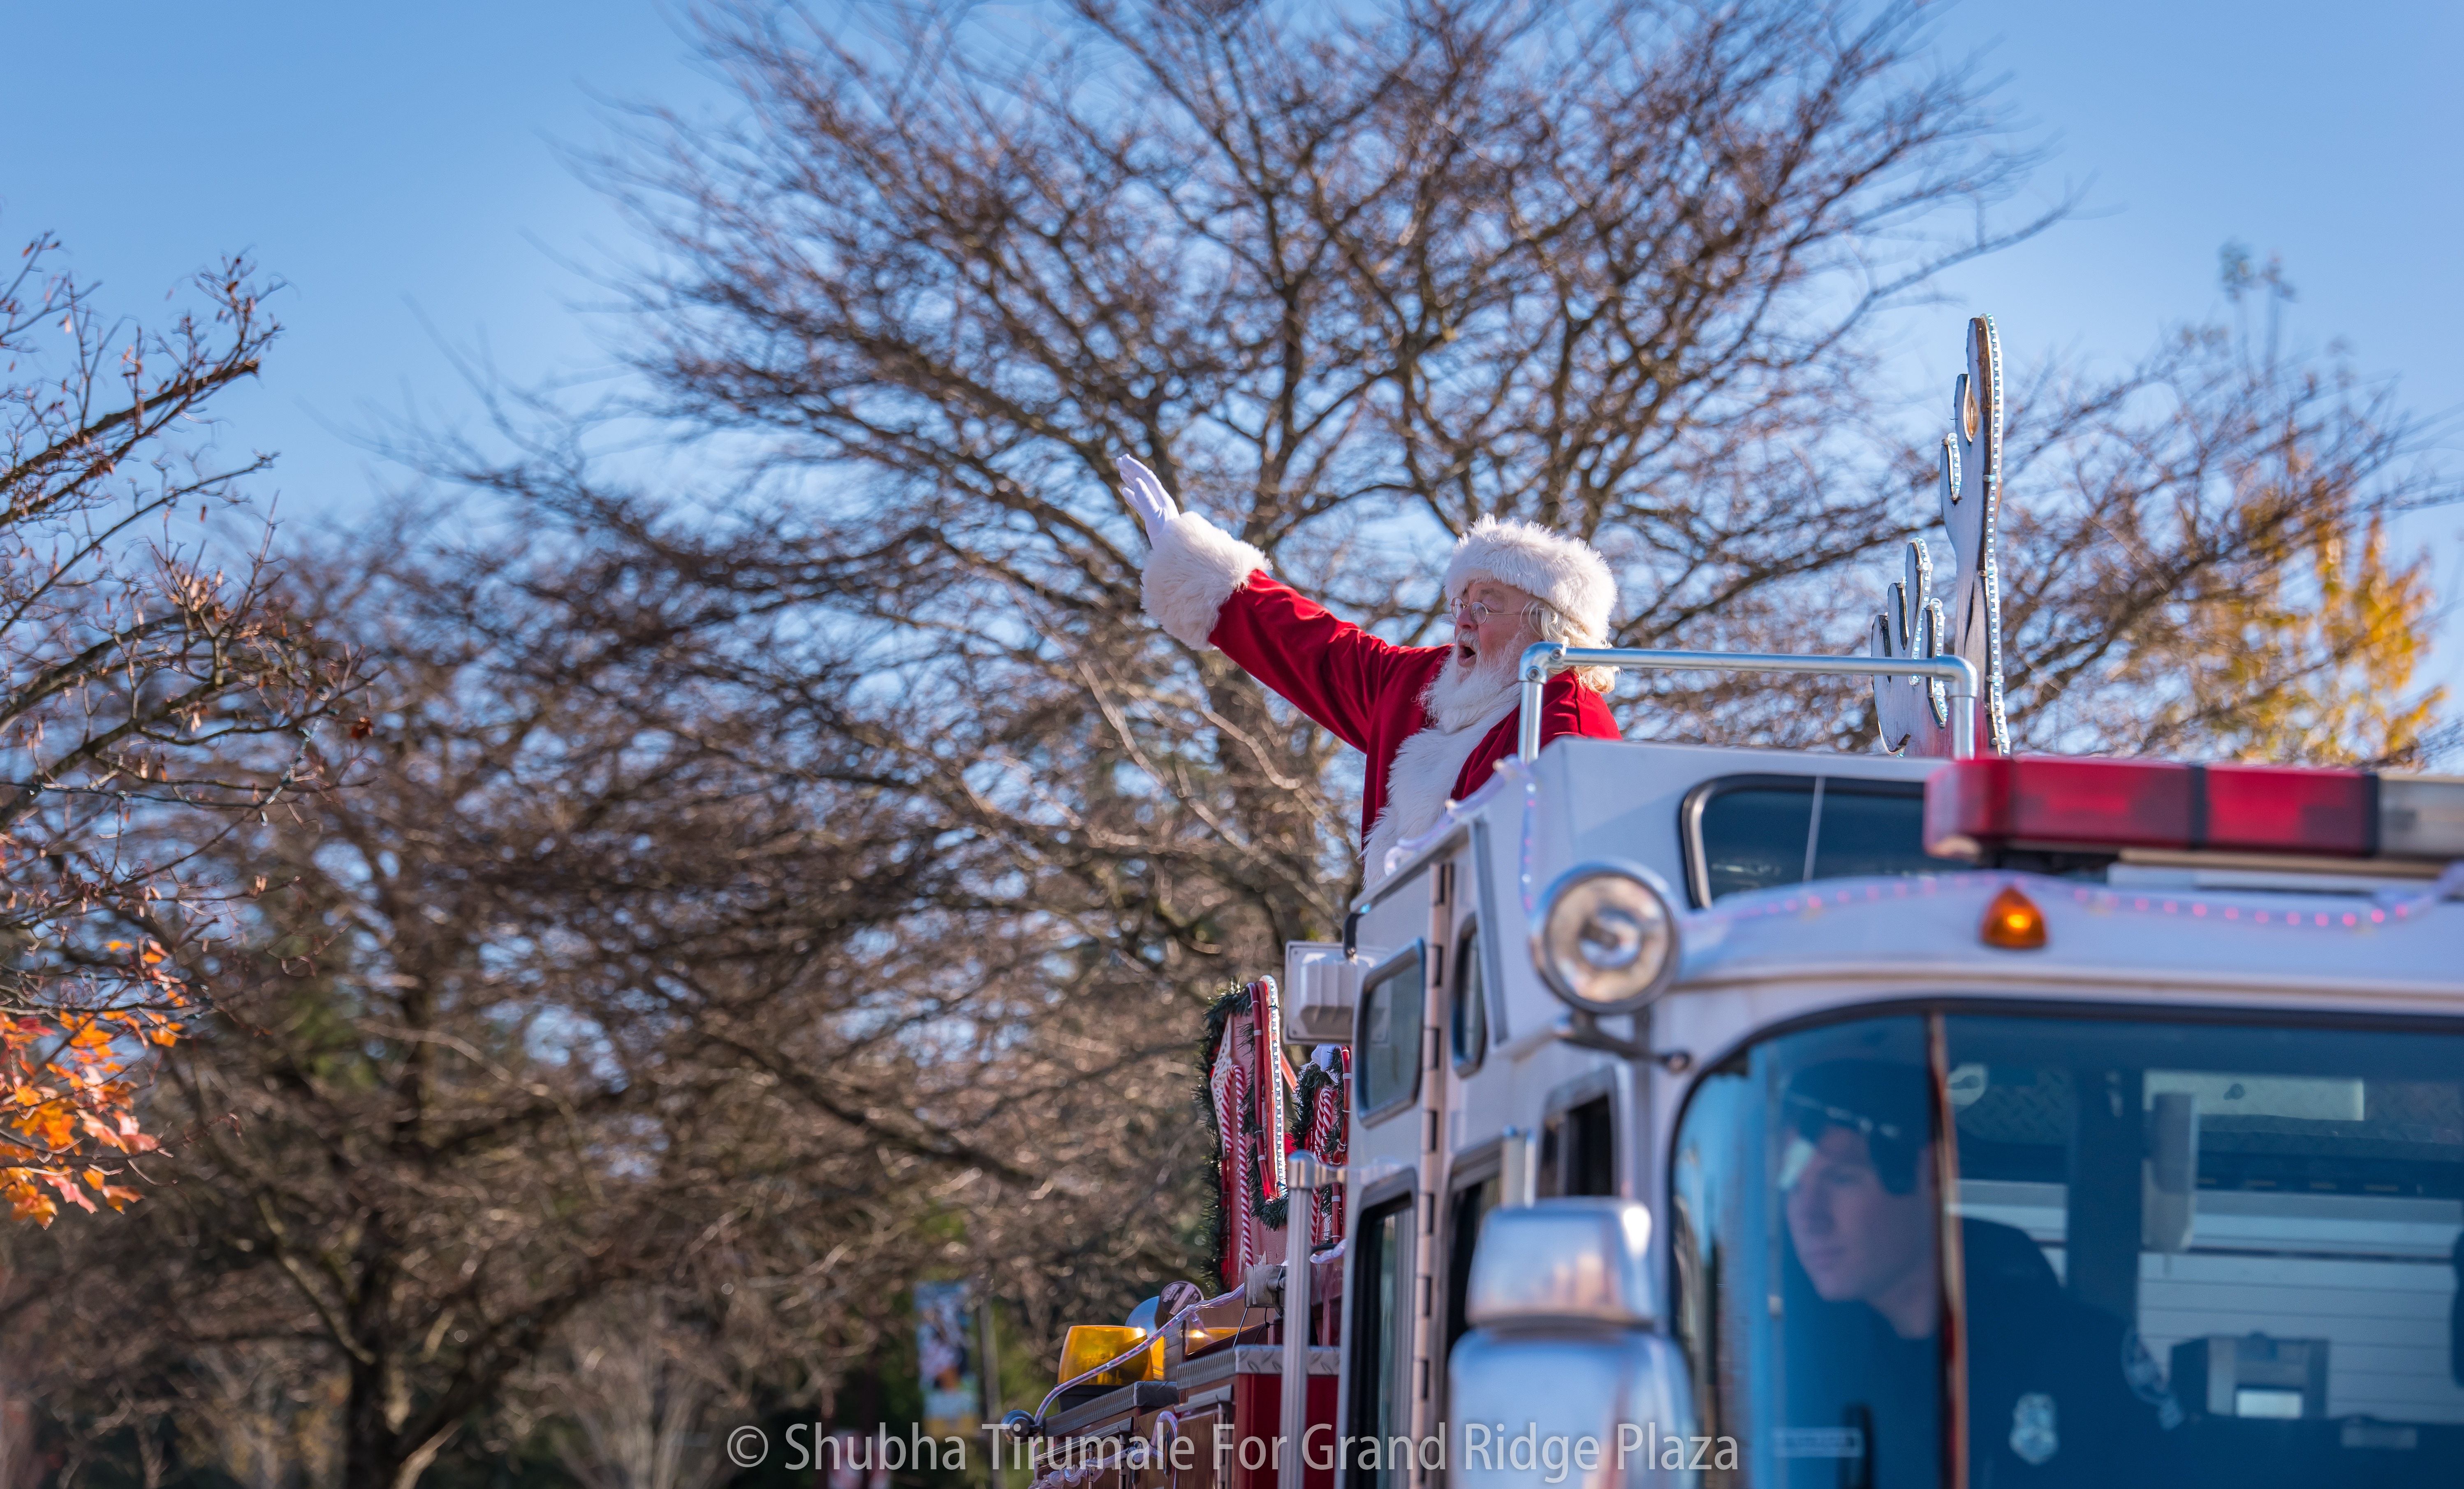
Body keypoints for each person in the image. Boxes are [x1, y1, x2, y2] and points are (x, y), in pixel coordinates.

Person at [1121, 456, 1621, 878]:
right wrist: (1203, 571)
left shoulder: (1569, 723)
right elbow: (1316, 649)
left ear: (1547, 625)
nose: (1463, 621)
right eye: (1460, 604)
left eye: (1486, 606)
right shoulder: (1422, 685)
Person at [1777, 1061, 2182, 1489]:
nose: (1809, 1217)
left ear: (1927, 1172)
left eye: (1841, 1179)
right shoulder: (1776, 1366)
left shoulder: (2083, 1364)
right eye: (1793, 1187)